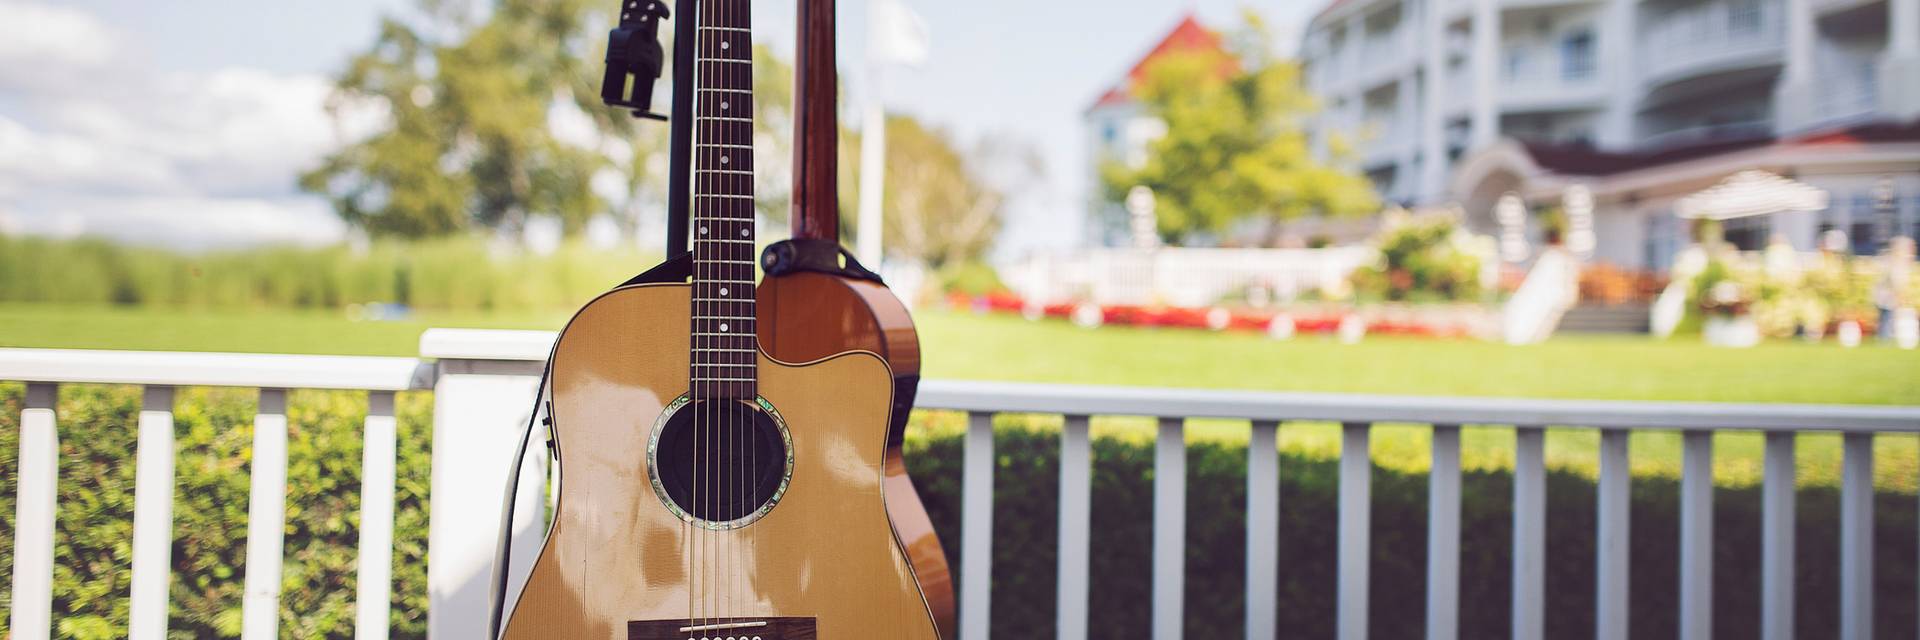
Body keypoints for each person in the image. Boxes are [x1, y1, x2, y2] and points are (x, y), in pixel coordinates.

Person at [1875, 236, 1915, 340]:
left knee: (1886, 319)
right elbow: (1895, 282)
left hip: (1886, 296)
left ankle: (1885, 338)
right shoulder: (1894, 262)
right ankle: (1884, 339)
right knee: (1886, 319)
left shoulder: (1893, 260)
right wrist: (1900, 297)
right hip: (1887, 297)